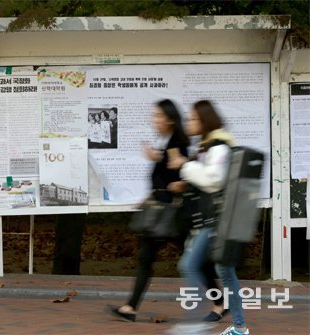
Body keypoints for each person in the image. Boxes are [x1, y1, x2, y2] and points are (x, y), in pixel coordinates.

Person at [167, 100, 248, 335]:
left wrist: (186, 166)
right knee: (224, 272)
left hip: (218, 221)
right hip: (213, 220)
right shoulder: (207, 147)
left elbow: (213, 180)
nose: (189, 123)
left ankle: (196, 322)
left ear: (204, 121)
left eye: (193, 119)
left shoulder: (219, 147)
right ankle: (240, 328)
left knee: (191, 265)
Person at [106, 99, 189, 322]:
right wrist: (149, 195)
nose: (155, 120)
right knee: (146, 258)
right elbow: (166, 175)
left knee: (193, 260)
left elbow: (179, 172)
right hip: (160, 210)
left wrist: (161, 159)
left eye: (159, 116)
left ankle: (221, 301)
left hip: (171, 214)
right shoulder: (169, 140)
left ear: (170, 119)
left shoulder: (177, 141)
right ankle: (131, 307)